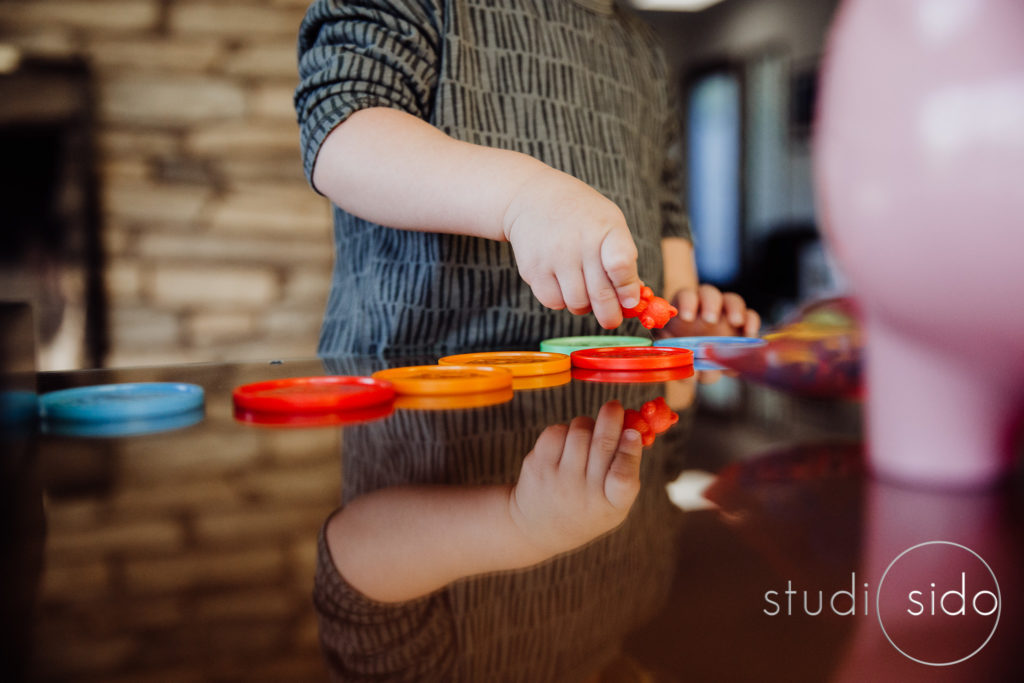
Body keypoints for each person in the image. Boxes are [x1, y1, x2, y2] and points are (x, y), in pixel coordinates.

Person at [294, 0, 760, 356]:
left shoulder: (644, 45)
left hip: (622, 419)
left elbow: (667, 213)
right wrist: (521, 196)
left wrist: (686, 320)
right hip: (416, 407)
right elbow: (340, 128)